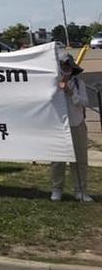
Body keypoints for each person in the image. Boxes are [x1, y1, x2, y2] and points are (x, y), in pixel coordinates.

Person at [52, 52, 92, 203]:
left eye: (68, 65)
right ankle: (57, 189)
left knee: (80, 160)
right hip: (59, 126)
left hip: (77, 124)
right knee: (57, 161)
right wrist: (58, 89)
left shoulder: (78, 83)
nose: (66, 68)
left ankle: (80, 191)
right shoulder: (52, 83)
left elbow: (85, 101)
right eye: (63, 65)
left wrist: (71, 94)